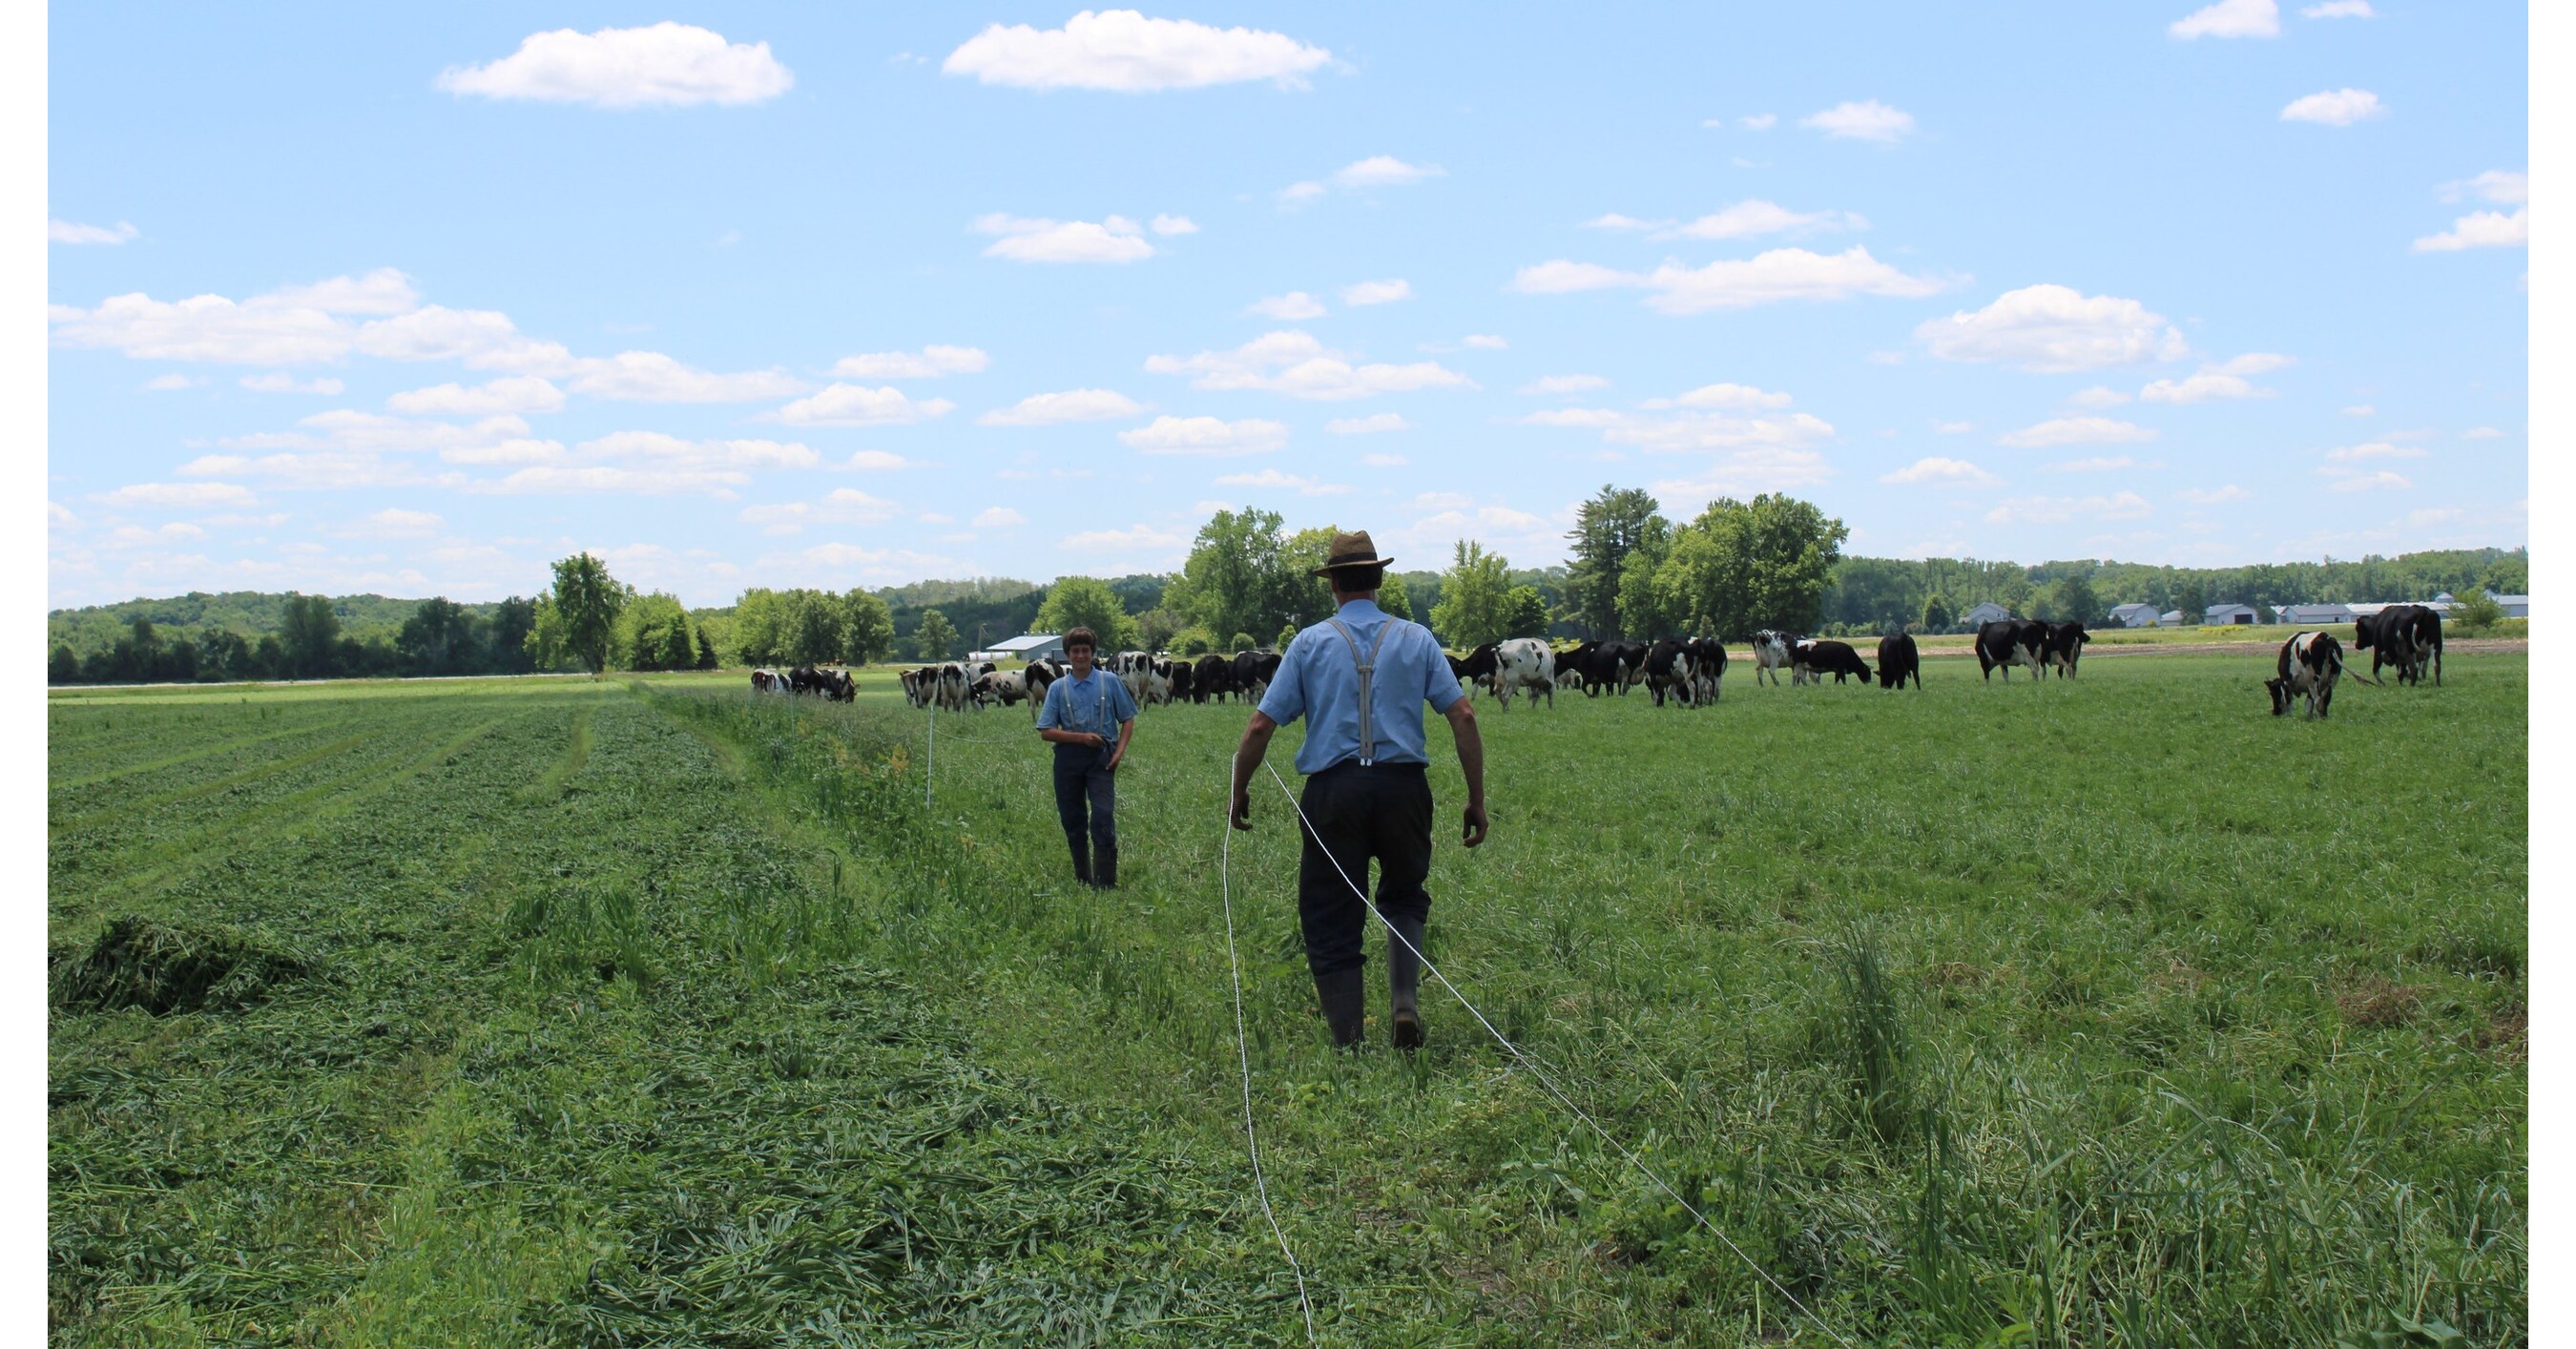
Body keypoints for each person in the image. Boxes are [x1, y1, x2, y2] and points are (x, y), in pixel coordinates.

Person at [1230, 529, 1488, 1049]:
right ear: (1378, 579)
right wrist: (1475, 797)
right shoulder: (1417, 639)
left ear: (1334, 586)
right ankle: (1404, 1003)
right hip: (1403, 788)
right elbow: (1461, 713)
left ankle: (1348, 1039)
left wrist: (1240, 789)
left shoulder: (1309, 642)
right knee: (1404, 894)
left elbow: (1260, 727)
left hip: (1334, 792)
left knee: (1330, 909)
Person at [1035, 627, 1136, 888]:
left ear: (1093, 653)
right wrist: (1080, 738)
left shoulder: (1109, 681)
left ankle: (1106, 883)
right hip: (1068, 759)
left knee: (1102, 816)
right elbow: (1046, 732)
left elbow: (1127, 719)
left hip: (1102, 757)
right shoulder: (1058, 688)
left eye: (1085, 651)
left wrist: (1119, 753)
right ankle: (1083, 877)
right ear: (1067, 655)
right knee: (1073, 817)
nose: (1080, 656)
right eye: (1075, 651)